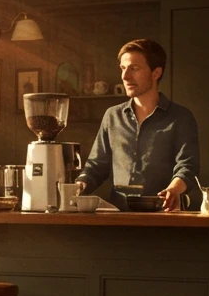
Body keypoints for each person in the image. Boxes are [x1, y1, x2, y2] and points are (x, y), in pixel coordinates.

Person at [76, 38, 201, 212]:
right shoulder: (112, 116)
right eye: (123, 68)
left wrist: (174, 189)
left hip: (164, 218)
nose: (125, 76)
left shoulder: (181, 117)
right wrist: (79, 186)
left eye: (134, 69)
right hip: (118, 218)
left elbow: (187, 166)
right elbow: (97, 166)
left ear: (156, 73)